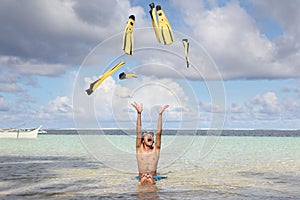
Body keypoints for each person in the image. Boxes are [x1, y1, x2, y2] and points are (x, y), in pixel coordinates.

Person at [131, 102, 169, 185]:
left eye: (152, 136)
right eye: (147, 135)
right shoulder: (139, 149)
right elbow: (138, 131)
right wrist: (139, 113)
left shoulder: (156, 149)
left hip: (154, 177)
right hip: (141, 176)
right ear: (143, 140)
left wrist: (160, 115)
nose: (150, 136)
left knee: (151, 185)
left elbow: (159, 133)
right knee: (142, 183)